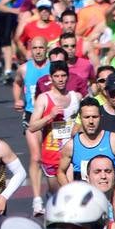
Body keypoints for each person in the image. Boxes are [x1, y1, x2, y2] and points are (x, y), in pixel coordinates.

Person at [28, 61, 82, 199]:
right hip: (51, 153)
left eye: (63, 75)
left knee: (69, 193)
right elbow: (32, 127)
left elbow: (85, 120)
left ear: (68, 76)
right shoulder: (44, 98)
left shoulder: (75, 97)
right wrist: (50, 116)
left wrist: (78, 127)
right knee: (57, 195)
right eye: (56, 76)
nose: (60, 79)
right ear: (51, 78)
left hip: (71, 151)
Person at [57, 96, 115, 184]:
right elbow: (60, 172)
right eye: (86, 117)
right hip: (85, 195)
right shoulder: (71, 146)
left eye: (95, 117)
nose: (91, 121)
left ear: (101, 117)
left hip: (109, 195)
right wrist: (70, 191)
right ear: (80, 118)